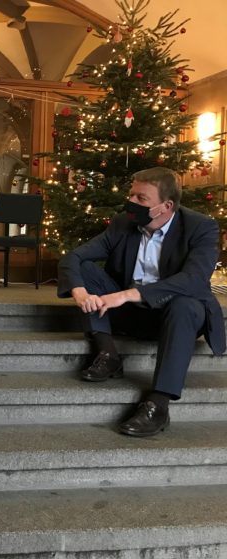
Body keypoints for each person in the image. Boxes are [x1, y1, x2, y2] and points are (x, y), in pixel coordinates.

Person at [58, 167, 226, 437]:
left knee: (185, 304)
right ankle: (108, 353)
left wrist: (126, 294)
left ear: (165, 206)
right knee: (87, 271)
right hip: (131, 314)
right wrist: (79, 290)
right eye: (131, 195)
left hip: (174, 314)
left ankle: (158, 404)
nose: (131, 203)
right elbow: (73, 258)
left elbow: (193, 279)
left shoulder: (200, 227)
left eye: (141, 198)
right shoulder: (123, 223)